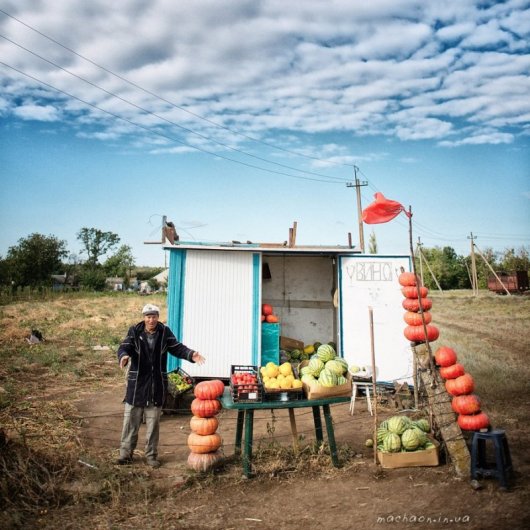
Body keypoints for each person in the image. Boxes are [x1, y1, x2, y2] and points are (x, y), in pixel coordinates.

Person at [116, 303, 205, 468]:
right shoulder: (135, 331)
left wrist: (191, 354)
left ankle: (151, 456)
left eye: (154, 316)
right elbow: (124, 346)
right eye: (148, 317)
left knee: (153, 425)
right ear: (144, 318)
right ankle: (125, 453)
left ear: (158, 317)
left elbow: (177, 348)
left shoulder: (164, 332)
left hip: (156, 385)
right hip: (137, 387)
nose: (151, 320)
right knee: (130, 421)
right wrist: (123, 356)